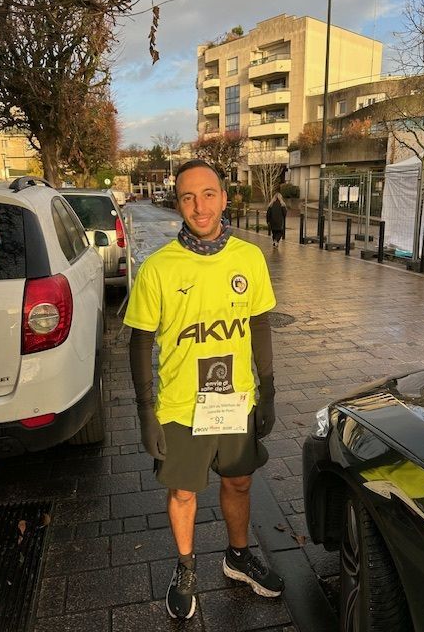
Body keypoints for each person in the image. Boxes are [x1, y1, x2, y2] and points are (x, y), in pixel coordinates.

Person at [123, 159, 284, 620]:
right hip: (181, 406)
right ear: (178, 204)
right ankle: (186, 567)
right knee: (183, 492)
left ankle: (238, 557)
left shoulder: (249, 258)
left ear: (224, 198)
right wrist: (145, 412)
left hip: (235, 400)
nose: (200, 206)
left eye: (208, 194)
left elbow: (259, 325)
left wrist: (268, 391)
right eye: (189, 197)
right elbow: (140, 341)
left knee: (239, 480)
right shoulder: (158, 268)